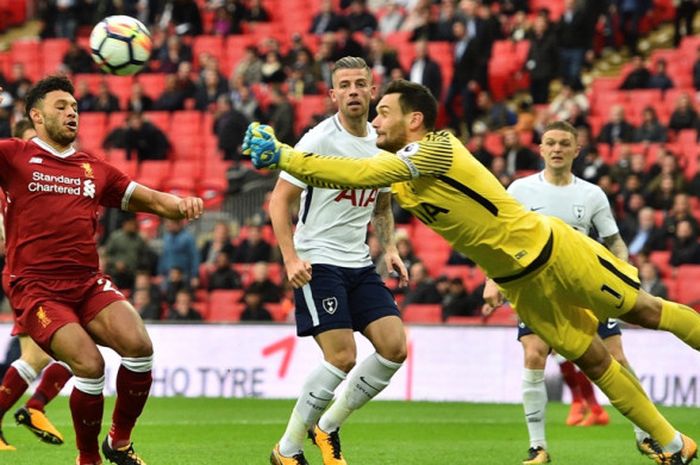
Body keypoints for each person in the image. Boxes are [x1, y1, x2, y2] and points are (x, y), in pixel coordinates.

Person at [244, 79, 700, 465]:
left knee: (645, 310)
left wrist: (283, 154)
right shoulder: (401, 178)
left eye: (384, 113)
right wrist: (288, 164)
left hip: (555, 250)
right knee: (595, 360)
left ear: (415, 120)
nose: (376, 122)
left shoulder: (437, 149)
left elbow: (362, 171)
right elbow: (349, 176)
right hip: (521, 285)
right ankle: (672, 444)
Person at [0, 75, 204, 465]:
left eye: (74, 107)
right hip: (38, 289)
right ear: (36, 117)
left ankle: (120, 443)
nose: (71, 112)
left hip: (88, 284)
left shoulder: (93, 169)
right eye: (60, 106)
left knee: (140, 348)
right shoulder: (15, 155)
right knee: (90, 365)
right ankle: (88, 457)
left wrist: (181, 204)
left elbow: (152, 200)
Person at [480, 120, 653, 464]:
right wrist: (491, 280)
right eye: (550, 143)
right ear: (541, 149)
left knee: (617, 359)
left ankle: (648, 435)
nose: (557, 149)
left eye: (564, 143)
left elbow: (615, 242)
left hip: (586, 288)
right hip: (537, 290)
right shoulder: (519, 190)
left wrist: (621, 274)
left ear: (577, 150)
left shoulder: (591, 194)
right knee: (534, 354)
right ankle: (538, 447)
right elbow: (499, 240)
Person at [267, 57, 409, 465]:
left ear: (372, 90)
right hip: (318, 261)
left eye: (360, 84)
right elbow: (279, 200)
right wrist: (290, 257)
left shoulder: (382, 143)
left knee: (394, 348)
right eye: (344, 85)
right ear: (332, 95)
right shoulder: (317, 141)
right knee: (342, 356)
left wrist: (392, 249)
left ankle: (326, 427)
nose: (352, 91)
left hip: (359, 263)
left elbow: (381, 205)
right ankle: (287, 450)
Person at [0, 119, 73, 451]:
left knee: (40, 357)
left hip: (54, 274)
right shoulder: (14, 178)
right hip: (29, 275)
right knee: (73, 349)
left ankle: (34, 407)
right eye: (30, 141)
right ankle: (35, 406)